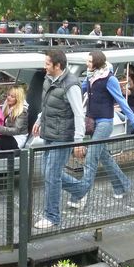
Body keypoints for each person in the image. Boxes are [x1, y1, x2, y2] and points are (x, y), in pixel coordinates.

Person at [66, 51, 134, 209]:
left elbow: (121, 100)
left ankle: (80, 196)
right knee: (104, 157)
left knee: (91, 158)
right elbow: (79, 89)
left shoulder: (110, 79)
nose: (87, 63)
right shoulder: (90, 75)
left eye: (89, 61)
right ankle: (122, 185)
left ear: (97, 62)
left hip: (105, 123)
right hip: (93, 122)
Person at [32, 49, 85, 230]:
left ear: (58, 66)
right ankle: (80, 190)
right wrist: (40, 120)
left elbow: (79, 114)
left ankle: (52, 216)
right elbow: (47, 105)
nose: (44, 66)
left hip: (63, 136)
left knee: (52, 175)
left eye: (47, 63)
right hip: (49, 133)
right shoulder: (49, 79)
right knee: (48, 172)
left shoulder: (71, 85)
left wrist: (78, 140)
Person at [0, 87, 29, 151]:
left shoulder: (22, 112)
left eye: (12, 97)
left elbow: (16, 130)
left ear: (18, 99)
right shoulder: (8, 107)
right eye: (8, 95)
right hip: (9, 137)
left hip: (18, 139)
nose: (8, 98)